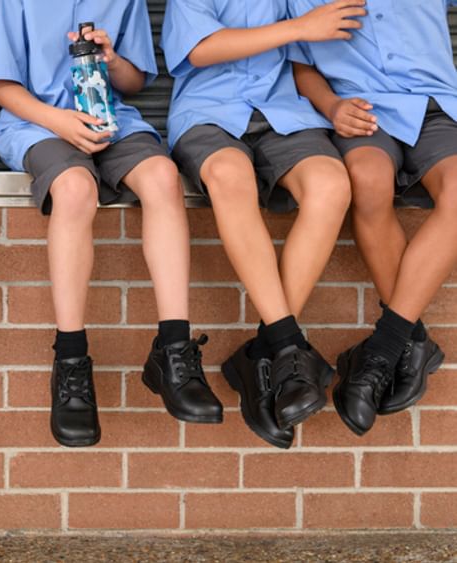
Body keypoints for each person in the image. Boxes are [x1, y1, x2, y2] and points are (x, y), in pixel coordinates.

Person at [0, 0, 223, 449]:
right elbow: (2, 87)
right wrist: (58, 120)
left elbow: (134, 81)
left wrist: (112, 60)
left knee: (163, 178)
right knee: (75, 190)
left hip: (110, 120)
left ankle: (173, 350)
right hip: (37, 123)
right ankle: (70, 360)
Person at [161, 0, 364, 448]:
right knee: (230, 178)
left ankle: (263, 355)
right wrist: (297, 27)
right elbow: (201, 49)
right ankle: (288, 347)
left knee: (331, 185)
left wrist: (331, 106)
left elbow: (302, 58)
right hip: (209, 113)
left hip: (283, 112)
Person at [289, 0, 457, 436]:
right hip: (361, 110)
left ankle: (384, 348)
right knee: (367, 179)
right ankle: (411, 342)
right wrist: (330, 107)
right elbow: (298, 62)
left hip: (437, 105)